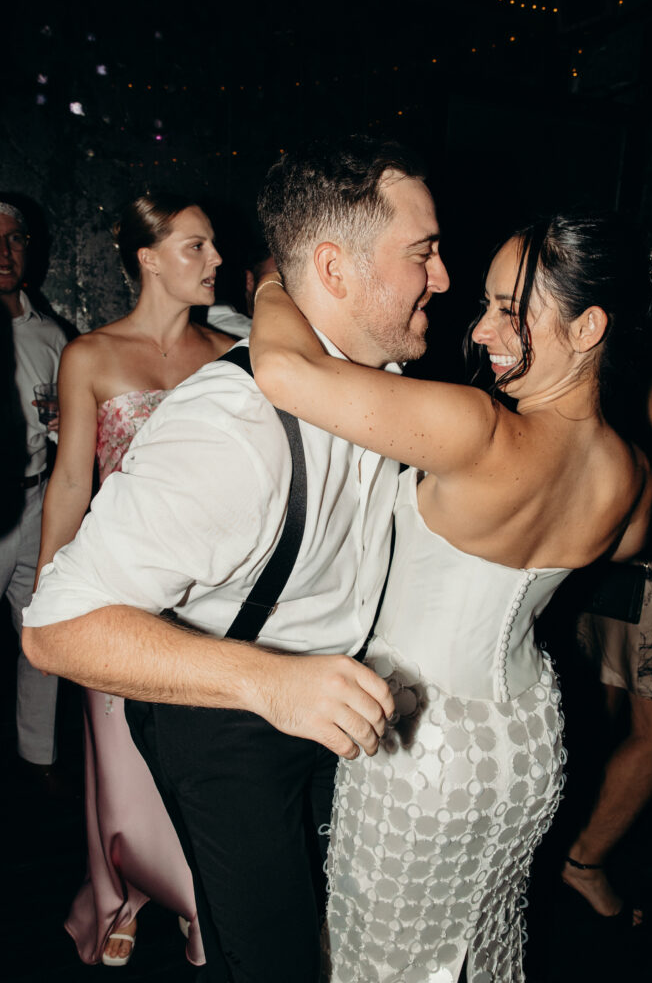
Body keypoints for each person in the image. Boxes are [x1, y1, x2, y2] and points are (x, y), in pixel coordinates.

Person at [22, 136, 449, 983]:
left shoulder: (384, 378)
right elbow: (55, 627)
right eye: (422, 253)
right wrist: (270, 682)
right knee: (270, 956)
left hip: (335, 697)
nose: (441, 277)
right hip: (228, 717)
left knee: (346, 931)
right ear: (334, 268)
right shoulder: (231, 429)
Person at [249, 213, 652, 982]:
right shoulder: (632, 473)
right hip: (527, 742)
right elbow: (627, 546)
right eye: (485, 305)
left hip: (420, 739)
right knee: (478, 946)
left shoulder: (477, 430)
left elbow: (282, 371)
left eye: (509, 311)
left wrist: (278, 278)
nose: (480, 330)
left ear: (588, 327)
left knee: (380, 959)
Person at [34, 192, 233, 967]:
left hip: (210, 587)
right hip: (116, 584)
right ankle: (129, 890)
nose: (216, 259)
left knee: (202, 761)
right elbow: (69, 485)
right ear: (148, 258)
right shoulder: (91, 356)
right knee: (120, 765)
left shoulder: (230, 356)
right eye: (196, 246)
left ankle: (194, 902)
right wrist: (50, 592)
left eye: (213, 244)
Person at [563, 366, 652, 926]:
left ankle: (566, 850)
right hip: (650, 576)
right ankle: (583, 862)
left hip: (638, 575)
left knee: (606, 716)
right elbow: (642, 494)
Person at [0, 200, 67, 788]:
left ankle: (38, 758)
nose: (4, 253)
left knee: (41, 630)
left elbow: (68, 427)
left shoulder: (50, 334)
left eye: (15, 240)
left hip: (38, 496)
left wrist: (63, 425)